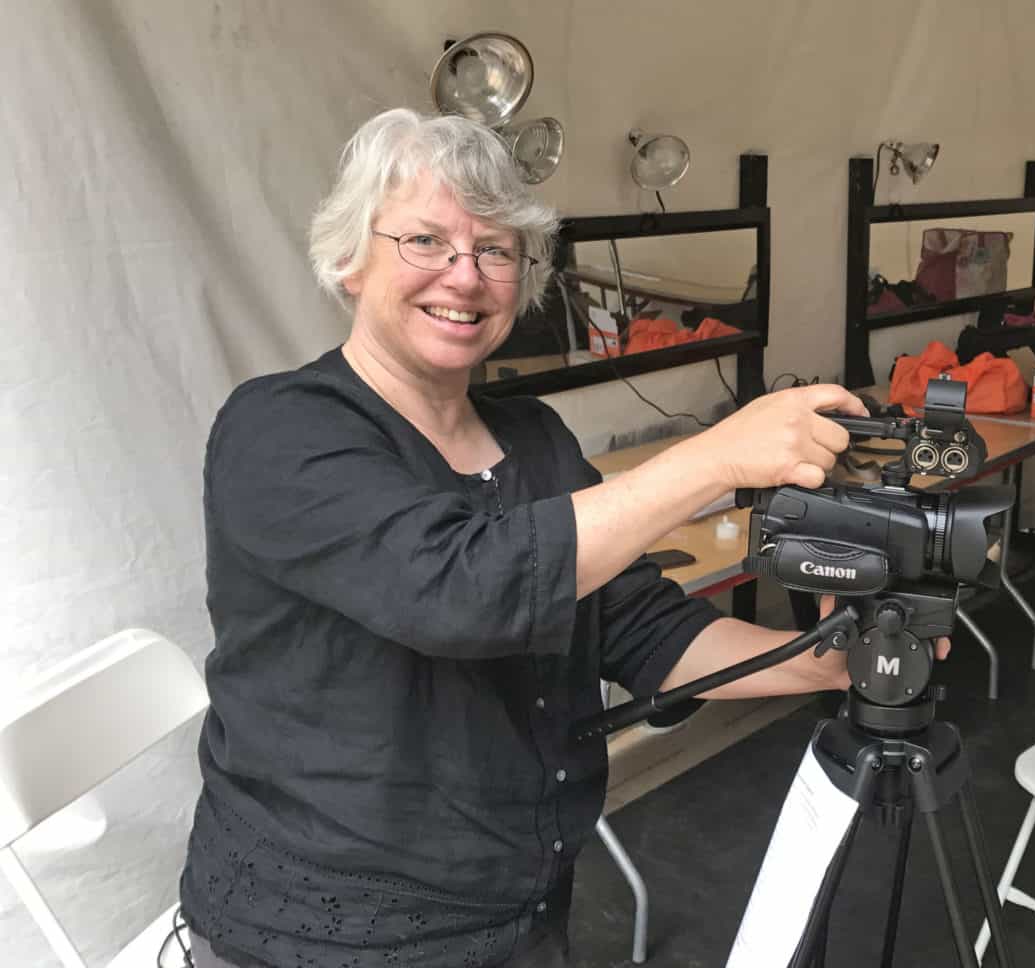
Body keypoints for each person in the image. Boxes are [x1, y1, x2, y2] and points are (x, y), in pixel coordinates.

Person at [177, 108, 882, 968]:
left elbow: (638, 624)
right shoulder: (282, 429)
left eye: (496, 250)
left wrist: (817, 659)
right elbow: (459, 591)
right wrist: (715, 458)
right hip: (323, 932)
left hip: (521, 905)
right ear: (350, 259)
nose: (464, 276)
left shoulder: (533, 437)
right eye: (426, 241)